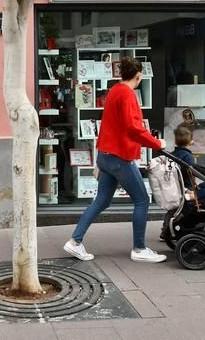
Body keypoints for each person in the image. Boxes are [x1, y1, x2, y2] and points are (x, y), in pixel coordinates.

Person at [64, 57, 167, 263]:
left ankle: (75, 242)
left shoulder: (114, 91)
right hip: (120, 157)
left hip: (105, 155)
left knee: (101, 201)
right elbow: (133, 128)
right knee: (142, 200)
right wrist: (157, 144)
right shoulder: (128, 95)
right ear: (138, 76)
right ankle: (139, 248)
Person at [159, 125, 195, 241]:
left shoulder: (173, 154)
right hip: (186, 187)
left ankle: (165, 230)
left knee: (173, 209)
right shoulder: (188, 156)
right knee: (186, 209)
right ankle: (179, 229)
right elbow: (191, 172)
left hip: (175, 187)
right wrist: (194, 186)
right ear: (190, 142)